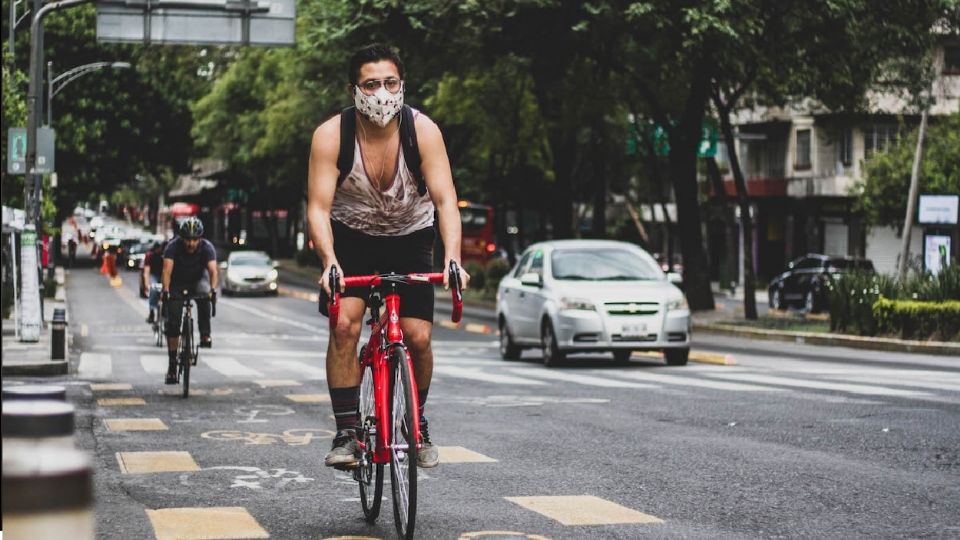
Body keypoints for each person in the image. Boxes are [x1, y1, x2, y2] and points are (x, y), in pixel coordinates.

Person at [307, 43, 469, 469]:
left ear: (403, 86)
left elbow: (446, 199)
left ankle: (416, 424)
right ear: (353, 90)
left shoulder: (424, 132)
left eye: (390, 83)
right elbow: (318, 208)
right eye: (371, 84)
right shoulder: (331, 136)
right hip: (352, 237)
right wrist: (330, 262)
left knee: (417, 337)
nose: (382, 94)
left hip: (410, 235)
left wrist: (452, 258)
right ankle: (346, 433)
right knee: (343, 325)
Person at [160, 217, 218, 384]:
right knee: (173, 323)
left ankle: (205, 334)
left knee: (205, 296)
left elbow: (213, 271)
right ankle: (172, 366)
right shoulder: (172, 247)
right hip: (176, 283)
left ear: (200, 238)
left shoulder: (207, 248)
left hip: (197, 281)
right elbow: (166, 271)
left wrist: (213, 291)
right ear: (181, 238)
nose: (191, 243)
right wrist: (165, 292)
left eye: (195, 239)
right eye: (187, 239)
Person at [142, 242, 165, 323]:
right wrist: (147, 285)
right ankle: (152, 312)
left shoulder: (166, 254)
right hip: (154, 275)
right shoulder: (150, 255)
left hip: (164, 275)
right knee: (153, 289)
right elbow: (146, 271)